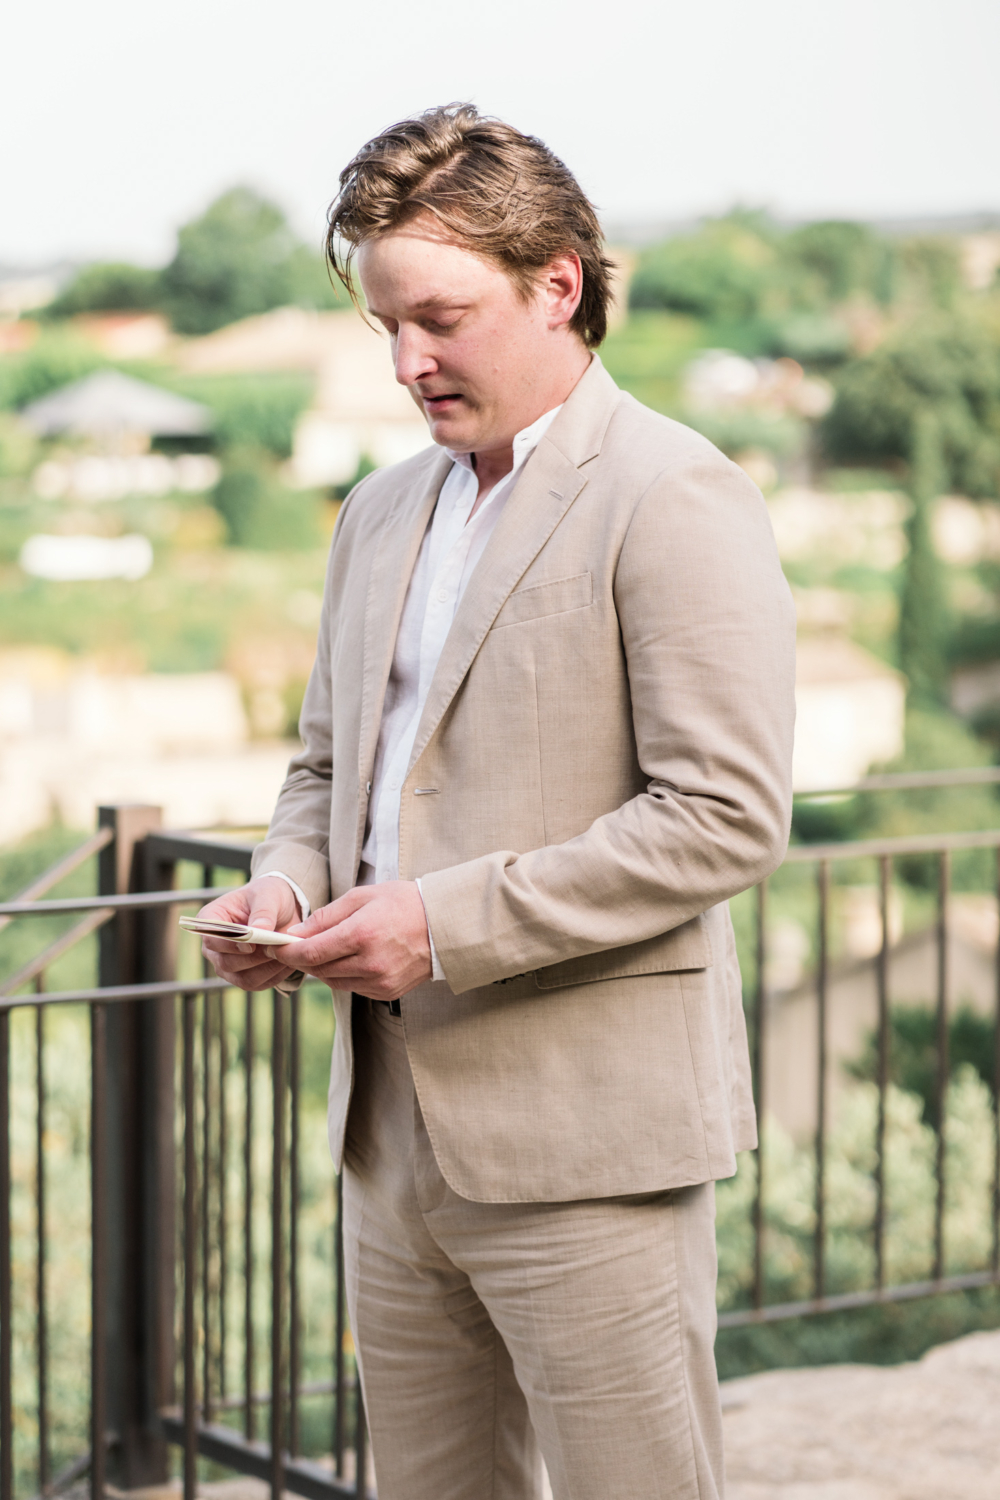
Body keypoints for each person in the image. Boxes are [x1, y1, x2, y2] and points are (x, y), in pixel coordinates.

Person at [199, 103, 796, 1500]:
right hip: (388, 1129)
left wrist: (440, 924)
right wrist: (282, 886)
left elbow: (723, 815)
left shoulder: (674, 494)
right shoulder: (378, 510)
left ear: (559, 284)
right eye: (386, 325)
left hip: (591, 1138)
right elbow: (327, 769)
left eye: (443, 318)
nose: (409, 361)